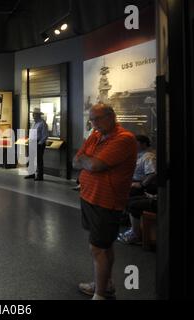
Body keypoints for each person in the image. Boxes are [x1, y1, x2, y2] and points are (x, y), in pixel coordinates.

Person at [73, 104, 137, 300]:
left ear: (111, 117)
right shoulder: (96, 135)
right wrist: (87, 161)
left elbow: (95, 164)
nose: (93, 124)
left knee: (98, 247)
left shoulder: (124, 139)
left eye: (97, 119)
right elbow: (76, 161)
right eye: (91, 120)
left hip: (106, 201)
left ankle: (100, 294)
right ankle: (106, 284)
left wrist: (88, 160)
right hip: (89, 196)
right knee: (105, 245)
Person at [25, 107, 49, 181]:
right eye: (33, 114)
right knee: (31, 159)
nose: (33, 115)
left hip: (38, 143)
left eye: (34, 114)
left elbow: (45, 135)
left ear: (38, 115)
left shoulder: (42, 123)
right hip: (32, 142)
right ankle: (31, 174)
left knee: (39, 160)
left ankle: (40, 176)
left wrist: (39, 143)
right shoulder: (34, 123)